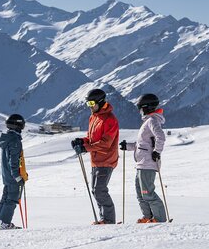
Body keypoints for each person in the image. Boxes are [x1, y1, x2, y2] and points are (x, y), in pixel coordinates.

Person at [71, 88, 119, 225]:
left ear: (100, 102)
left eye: (92, 103)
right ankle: (103, 218)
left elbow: (106, 143)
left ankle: (108, 220)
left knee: (100, 190)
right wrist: (82, 141)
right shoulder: (94, 117)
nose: (90, 107)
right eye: (88, 104)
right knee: (95, 190)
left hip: (106, 159)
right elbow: (91, 138)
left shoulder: (110, 120)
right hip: (96, 160)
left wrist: (85, 148)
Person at [119, 93, 167, 223]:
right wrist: (127, 146)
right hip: (141, 164)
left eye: (140, 107)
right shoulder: (147, 121)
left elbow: (161, 137)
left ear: (146, 107)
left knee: (147, 193)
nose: (139, 111)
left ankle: (159, 219)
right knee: (141, 194)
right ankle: (148, 217)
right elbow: (141, 145)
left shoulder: (152, 121)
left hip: (148, 163)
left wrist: (157, 151)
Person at [0, 114, 28, 230]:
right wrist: (17, 176)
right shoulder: (15, 140)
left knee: (5, 198)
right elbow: (14, 160)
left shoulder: (7, 139)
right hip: (13, 176)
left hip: (7, 175)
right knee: (12, 199)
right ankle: (4, 223)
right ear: (18, 125)